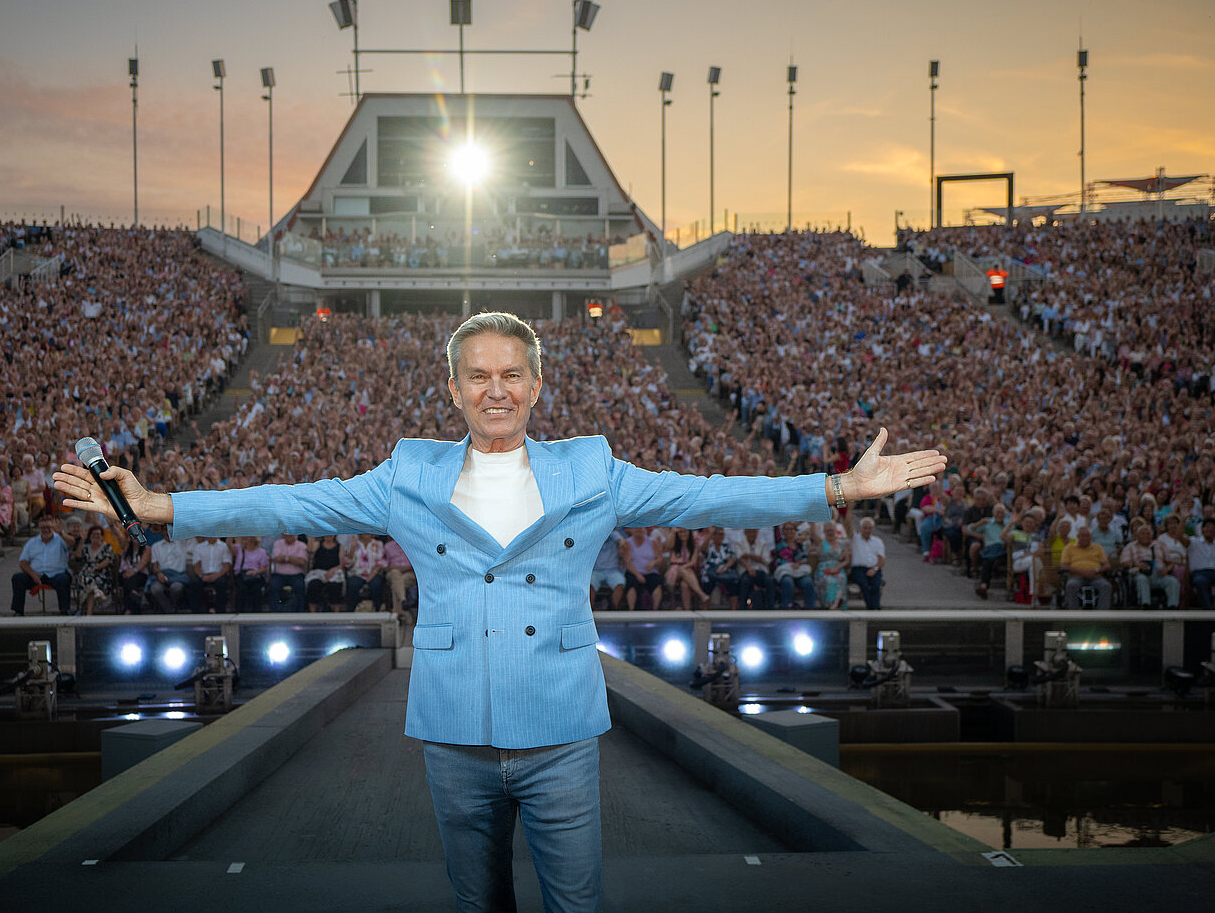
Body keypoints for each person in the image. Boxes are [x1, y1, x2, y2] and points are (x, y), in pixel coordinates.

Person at [54, 311, 944, 912]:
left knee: (575, 903)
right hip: (454, 732)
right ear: (453, 389)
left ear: (537, 384)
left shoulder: (591, 469)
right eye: (478, 375)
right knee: (477, 902)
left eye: (511, 374)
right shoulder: (406, 473)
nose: (495, 389)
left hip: (560, 729)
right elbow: (293, 503)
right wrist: (157, 506)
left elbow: (706, 493)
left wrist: (837, 487)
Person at [9, 517, 72, 615]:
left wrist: (61, 533)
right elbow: (23, 562)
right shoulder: (32, 542)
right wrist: (32, 574)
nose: (46, 530)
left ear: (52, 527)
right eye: (43, 527)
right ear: (39, 528)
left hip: (56, 574)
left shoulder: (60, 539)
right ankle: (18, 611)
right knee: (17, 578)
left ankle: (64, 611)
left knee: (63, 579)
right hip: (36, 575)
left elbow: (72, 543)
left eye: (48, 527)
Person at [1060, 525, 1112, 609]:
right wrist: (1082, 572)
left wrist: (1096, 571)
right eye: (1082, 536)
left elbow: (1107, 565)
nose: (1085, 538)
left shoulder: (1097, 547)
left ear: (1091, 537)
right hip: (1076, 576)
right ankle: (1073, 612)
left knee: (1106, 586)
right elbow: (1064, 566)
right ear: (1078, 537)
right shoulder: (1069, 547)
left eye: (1087, 536)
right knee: (1071, 585)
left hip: (1095, 576)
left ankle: (1102, 612)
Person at [846, 516, 886, 610]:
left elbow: (882, 559)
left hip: (874, 568)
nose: (867, 530)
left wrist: (874, 569)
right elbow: (847, 525)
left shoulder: (877, 541)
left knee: (876, 586)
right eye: (865, 528)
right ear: (860, 528)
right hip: (858, 569)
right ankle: (872, 609)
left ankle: (874, 609)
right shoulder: (854, 539)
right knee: (865, 586)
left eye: (870, 528)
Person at [1189, 518, 1215, 610]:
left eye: (1213, 527)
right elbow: (1180, 537)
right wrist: (1183, 519)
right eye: (1207, 527)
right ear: (1202, 529)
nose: (1210, 529)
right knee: (1200, 581)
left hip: (1213, 572)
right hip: (1200, 573)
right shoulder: (1194, 541)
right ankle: (1208, 610)